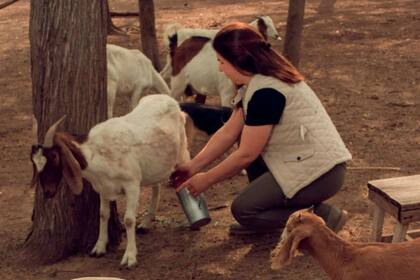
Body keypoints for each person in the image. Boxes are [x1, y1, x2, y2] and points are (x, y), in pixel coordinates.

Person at [170, 22, 352, 235]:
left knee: (244, 210)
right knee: (246, 139)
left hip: (321, 173)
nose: (220, 68)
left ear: (238, 61)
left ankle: (320, 217)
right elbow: (229, 131)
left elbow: (246, 155)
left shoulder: (266, 92)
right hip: (302, 162)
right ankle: (273, 214)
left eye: (221, 61)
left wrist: (207, 179)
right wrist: (193, 166)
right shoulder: (258, 83)